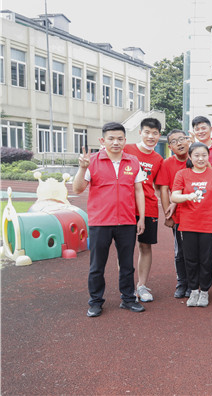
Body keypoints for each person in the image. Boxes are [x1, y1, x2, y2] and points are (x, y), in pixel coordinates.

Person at [73, 122, 146, 317]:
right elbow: (77, 189)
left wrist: (142, 218)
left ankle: (128, 299)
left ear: (125, 140)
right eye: (111, 138)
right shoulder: (92, 161)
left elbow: (139, 190)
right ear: (102, 140)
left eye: (120, 139)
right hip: (100, 222)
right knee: (97, 265)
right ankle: (96, 301)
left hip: (127, 221)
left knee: (127, 264)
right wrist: (82, 168)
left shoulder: (133, 161)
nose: (116, 142)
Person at [170, 142, 212, 308]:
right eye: (196, 155)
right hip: (188, 225)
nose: (201, 158)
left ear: (208, 156)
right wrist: (188, 196)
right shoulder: (182, 174)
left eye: (204, 155)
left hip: (209, 225)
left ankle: (204, 291)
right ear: (190, 157)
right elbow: (174, 196)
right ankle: (193, 289)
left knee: (206, 259)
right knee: (190, 259)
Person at [123, 118, 164, 303]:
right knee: (125, 249)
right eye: (147, 132)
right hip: (125, 207)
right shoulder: (127, 149)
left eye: (154, 133)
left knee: (145, 246)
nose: (150, 136)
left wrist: (167, 206)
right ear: (140, 132)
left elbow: (160, 186)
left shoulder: (158, 159)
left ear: (159, 136)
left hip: (149, 208)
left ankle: (141, 285)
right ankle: (127, 286)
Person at [156, 129, 191, 298]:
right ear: (170, 146)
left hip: (197, 215)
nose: (179, 143)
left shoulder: (197, 159)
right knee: (180, 251)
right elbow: (163, 190)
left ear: (188, 140)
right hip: (178, 216)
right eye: (174, 141)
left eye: (182, 139)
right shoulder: (167, 164)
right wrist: (167, 215)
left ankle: (194, 283)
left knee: (195, 251)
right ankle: (182, 282)